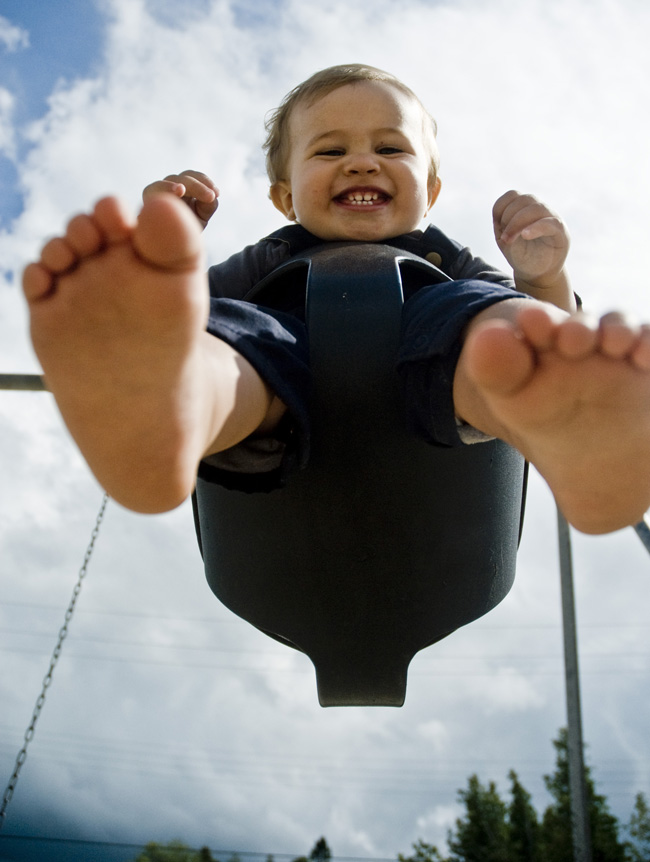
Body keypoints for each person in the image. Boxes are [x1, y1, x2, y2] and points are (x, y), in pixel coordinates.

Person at [22, 64, 650, 534]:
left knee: (493, 323)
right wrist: (161, 267)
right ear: (286, 199)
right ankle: (175, 402)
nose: (361, 164)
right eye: (330, 151)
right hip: (283, 395)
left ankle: (569, 419)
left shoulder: (444, 263)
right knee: (234, 333)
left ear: (429, 189)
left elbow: (543, 317)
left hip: (440, 390)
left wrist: (541, 277)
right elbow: (190, 317)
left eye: (390, 148)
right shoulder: (274, 259)